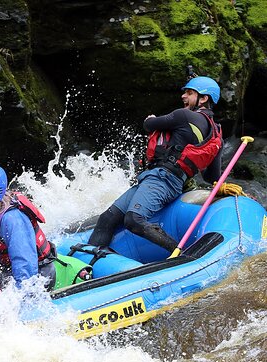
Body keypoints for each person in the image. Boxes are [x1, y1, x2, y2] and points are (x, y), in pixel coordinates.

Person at [88, 75, 223, 253]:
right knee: (108, 218)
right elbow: (211, 177)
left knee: (134, 219)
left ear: (204, 98)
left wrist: (149, 118)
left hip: (162, 179)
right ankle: (89, 258)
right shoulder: (217, 137)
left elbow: (149, 124)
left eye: (189, 93)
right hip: (162, 180)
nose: (183, 96)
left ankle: (179, 252)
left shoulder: (183, 115)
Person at [0, 164, 58, 290]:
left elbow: (24, 262)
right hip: (10, 271)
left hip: (38, 276)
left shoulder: (12, 219)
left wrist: (22, 296)